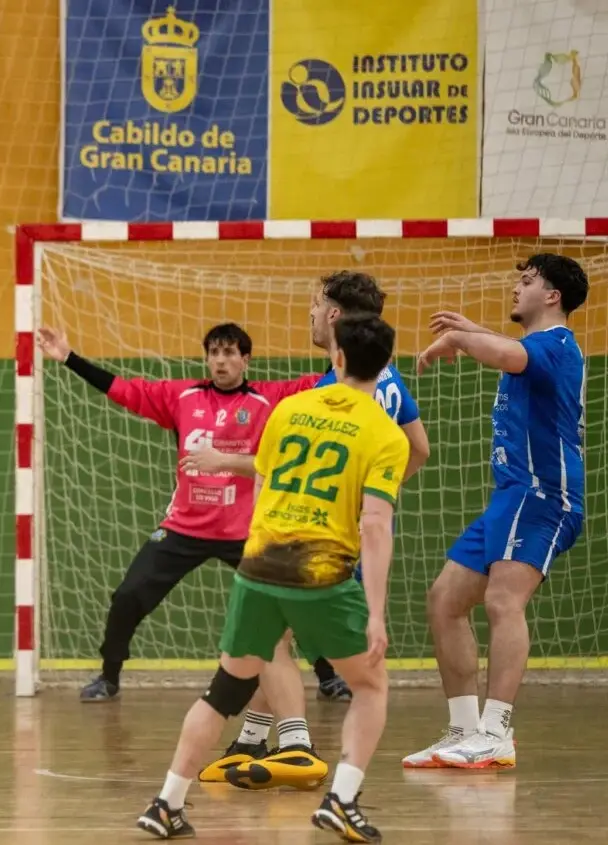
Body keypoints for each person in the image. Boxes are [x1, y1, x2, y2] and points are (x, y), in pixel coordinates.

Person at [136, 313, 409, 843]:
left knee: (222, 692)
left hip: (257, 566)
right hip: (321, 573)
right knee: (371, 685)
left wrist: (258, 555)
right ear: (386, 366)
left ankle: (166, 802)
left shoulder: (287, 410)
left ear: (337, 358)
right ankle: (342, 799)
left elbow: (260, 489)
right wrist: (375, 613)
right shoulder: (385, 434)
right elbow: (375, 526)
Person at [35, 323, 330, 788]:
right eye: (214, 352)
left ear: (246, 360)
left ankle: (329, 674)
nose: (221, 360)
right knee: (129, 595)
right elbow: (124, 391)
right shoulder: (182, 396)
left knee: (290, 608)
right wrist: (70, 357)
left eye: (230, 352)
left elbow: (328, 380)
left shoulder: (270, 398)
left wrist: (344, 336)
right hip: (184, 527)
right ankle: (109, 676)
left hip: (245, 530)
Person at [210, 270, 429, 777]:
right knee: (276, 640)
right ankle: (250, 739)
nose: (308, 313)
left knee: (270, 638)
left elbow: (277, 468)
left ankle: (296, 744)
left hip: (316, 537)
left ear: (334, 316)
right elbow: (419, 449)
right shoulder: (389, 377)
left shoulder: (332, 389)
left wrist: (220, 459)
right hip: (346, 533)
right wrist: (370, 498)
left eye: (314, 304)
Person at [404, 254, 588, 770]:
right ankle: (463, 730)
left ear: (552, 296)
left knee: (504, 601)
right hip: (509, 496)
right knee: (444, 600)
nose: (517, 288)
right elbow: (508, 351)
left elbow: (508, 355)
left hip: (542, 494)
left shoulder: (556, 345)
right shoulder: (529, 347)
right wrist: (471, 335)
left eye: (527, 282)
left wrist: (463, 335)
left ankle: (496, 731)